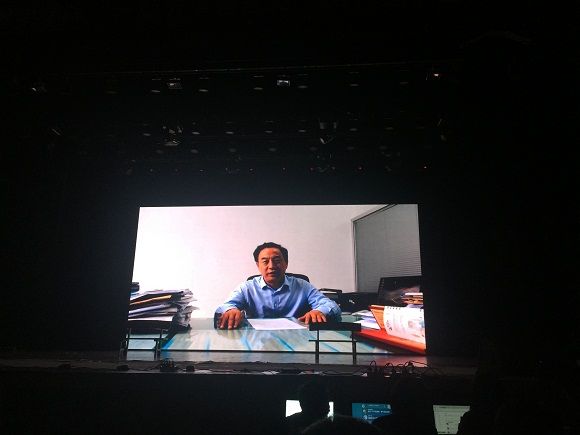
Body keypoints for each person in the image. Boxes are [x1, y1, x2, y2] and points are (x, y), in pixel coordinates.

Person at [216, 242, 341, 329]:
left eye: (277, 261)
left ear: (286, 264)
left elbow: (331, 306)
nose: (271, 266)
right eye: (265, 261)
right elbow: (225, 306)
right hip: (257, 343)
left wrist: (319, 311)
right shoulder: (247, 288)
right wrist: (230, 310)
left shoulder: (303, 286)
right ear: (258, 265)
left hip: (297, 341)